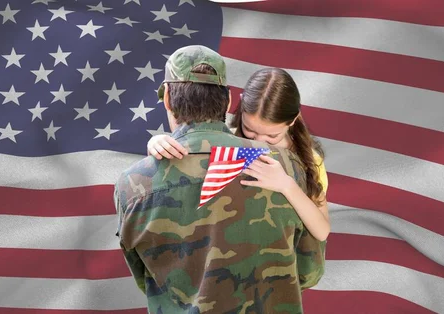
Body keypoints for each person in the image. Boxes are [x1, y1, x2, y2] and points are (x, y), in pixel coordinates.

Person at [114, 45, 325, 314]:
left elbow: (146, 278)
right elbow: (309, 272)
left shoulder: (132, 184)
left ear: (167, 98)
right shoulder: (285, 166)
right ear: (227, 101)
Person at [147, 67, 331, 242]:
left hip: (277, 255)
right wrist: (157, 143)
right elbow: (187, 165)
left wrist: (288, 185)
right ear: (241, 106)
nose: (260, 140)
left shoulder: (309, 159)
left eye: (272, 135)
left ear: (293, 120)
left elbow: (322, 232)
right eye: (249, 130)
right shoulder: (223, 138)